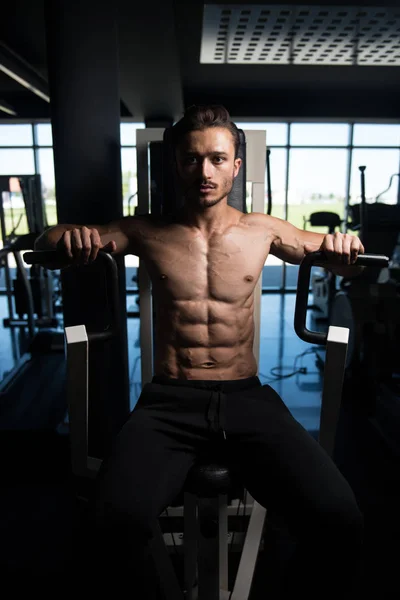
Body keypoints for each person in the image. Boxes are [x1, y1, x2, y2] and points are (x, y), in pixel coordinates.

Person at [35, 105, 364, 598]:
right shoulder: (144, 231)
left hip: (248, 399)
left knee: (340, 519)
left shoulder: (264, 229)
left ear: (236, 165)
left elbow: (347, 261)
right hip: (170, 403)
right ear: (176, 165)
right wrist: (68, 237)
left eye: (216, 159)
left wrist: (345, 248)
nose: (204, 172)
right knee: (109, 527)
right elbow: (47, 243)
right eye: (191, 160)